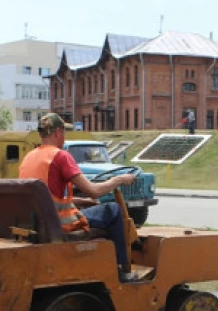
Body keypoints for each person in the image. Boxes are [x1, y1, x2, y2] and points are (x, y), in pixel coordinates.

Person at [19, 113, 137, 281]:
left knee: (101, 209)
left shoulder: (29, 157)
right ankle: (122, 271)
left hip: (38, 222)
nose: (64, 137)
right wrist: (119, 180)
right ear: (58, 132)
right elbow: (94, 191)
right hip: (60, 224)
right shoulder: (61, 156)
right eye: (64, 133)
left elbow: (46, 198)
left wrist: (83, 202)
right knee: (113, 210)